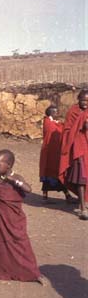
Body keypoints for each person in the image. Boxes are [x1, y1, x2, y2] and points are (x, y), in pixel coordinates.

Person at [0, 149, 45, 284]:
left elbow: (28, 189)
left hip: (13, 220)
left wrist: (13, 180)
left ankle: (32, 273)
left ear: (8, 165)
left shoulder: (16, 178)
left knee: (20, 244)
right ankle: (0, 270)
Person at [59, 89, 88, 220]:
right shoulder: (73, 112)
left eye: (87, 101)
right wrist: (81, 126)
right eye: (83, 100)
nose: (85, 103)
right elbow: (67, 130)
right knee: (81, 178)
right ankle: (82, 208)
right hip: (77, 147)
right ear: (78, 99)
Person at [39, 105, 73, 202]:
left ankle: (66, 195)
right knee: (52, 174)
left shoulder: (54, 123)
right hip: (50, 154)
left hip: (54, 153)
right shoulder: (48, 123)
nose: (58, 114)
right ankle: (66, 196)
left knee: (57, 173)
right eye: (56, 112)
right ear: (51, 113)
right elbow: (56, 131)